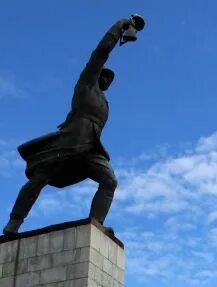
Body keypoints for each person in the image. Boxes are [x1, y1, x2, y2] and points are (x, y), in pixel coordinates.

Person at [2, 17, 144, 236]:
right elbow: (101, 52)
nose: (107, 80)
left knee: (109, 181)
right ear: (97, 75)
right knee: (39, 179)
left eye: (110, 79)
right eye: (104, 75)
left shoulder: (105, 103)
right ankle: (14, 223)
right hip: (70, 141)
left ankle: (96, 224)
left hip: (91, 147)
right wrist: (120, 27)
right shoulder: (86, 85)